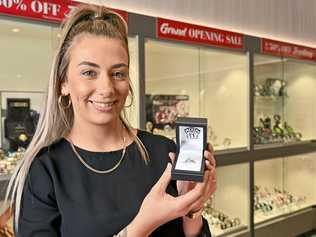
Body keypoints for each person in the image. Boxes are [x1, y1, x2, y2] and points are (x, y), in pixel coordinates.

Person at [5, 4, 216, 237]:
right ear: (62, 83)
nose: (106, 88)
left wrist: (191, 207)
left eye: (118, 73)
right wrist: (141, 226)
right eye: (89, 72)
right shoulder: (45, 171)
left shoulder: (163, 153)